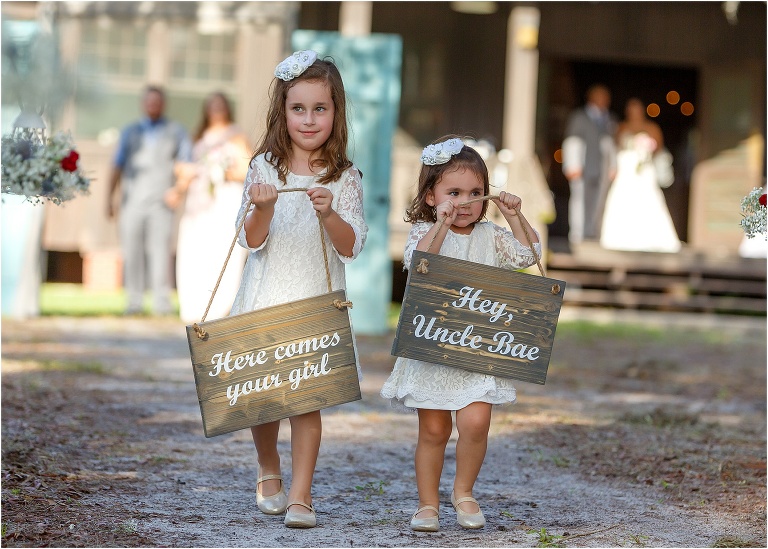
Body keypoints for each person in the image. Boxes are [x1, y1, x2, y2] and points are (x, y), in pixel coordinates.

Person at [229, 50, 367, 529]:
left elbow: (351, 248)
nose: (309, 119)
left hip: (314, 296)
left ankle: (302, 494)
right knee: (264, 397)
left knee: (308, 398)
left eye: (320, 109)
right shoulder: (263, 167)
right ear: (282, 112)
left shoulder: (344, 177)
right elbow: (249, 239)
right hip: (267, 293)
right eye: (298, 108)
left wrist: (329, 213)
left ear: (336, 112)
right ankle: (269, 465)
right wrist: (262, 207)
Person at [380, 136, 542, 532]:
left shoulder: (490, 236)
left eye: (475, 193)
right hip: (435, 345)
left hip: (477, 346)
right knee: (434, 429)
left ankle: (464, 491)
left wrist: (515, 216)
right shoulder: (425, 231)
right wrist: (441, 225)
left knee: (475, 423)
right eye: (454, 193)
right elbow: (421, 266)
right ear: (432, 196)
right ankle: (427, 503)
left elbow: (529, 255)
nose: (465, 203)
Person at [107, 85, 192, 316]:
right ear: (143, 104)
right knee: (131, 251)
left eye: (157, 101)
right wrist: (109, 198)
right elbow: (117, 165)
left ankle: (161, 303)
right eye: (149, 101)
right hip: (132, 201)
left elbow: (187, 164)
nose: (153, 105)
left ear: (163, 104)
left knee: (160, 251)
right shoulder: (129, 131)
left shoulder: (176, 131)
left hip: (161, 203)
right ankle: (133, 301)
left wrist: (178, 190)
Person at [166, 92, 251, 323]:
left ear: (227, 108)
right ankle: (194, 305)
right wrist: (179, 187)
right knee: (195, 250)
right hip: (199, 203)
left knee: (222, 251)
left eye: (220, 105)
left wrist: (221, 171)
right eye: (211, 106)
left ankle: (221, 306)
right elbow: (188, 170)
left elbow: (247, 171)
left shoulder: (236, 136)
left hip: (224, 201)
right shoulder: (198, 137)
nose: (216, 110)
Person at [599, 98, 681, 253]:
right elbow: (615, 148)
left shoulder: (651, 127)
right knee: (623, 201)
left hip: (644, 170)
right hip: (626, 170)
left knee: (648, 200)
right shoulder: (622, 127)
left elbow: (659, 149)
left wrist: (645, 153)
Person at [562, 83, 617, 244]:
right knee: (579, 199)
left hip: (601, 168)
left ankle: (593, 233)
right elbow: (572, 141)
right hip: (582, 167)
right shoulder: (579, 117)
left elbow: (612, 145)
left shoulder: (610, 119)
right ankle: (578, 234)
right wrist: (572, 164)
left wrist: (613, 165)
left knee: (599, 202)